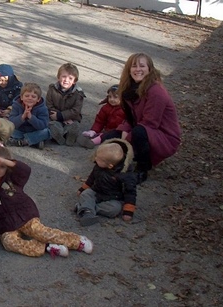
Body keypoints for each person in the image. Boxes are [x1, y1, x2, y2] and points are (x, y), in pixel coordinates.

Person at [0, 144, 93, 258]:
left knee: (41, 232)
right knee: (9, 243)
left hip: (24, 215)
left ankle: (77, 241)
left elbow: (25, 170)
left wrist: (7, 161)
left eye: (2, 166)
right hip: (5, 223)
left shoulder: (12, 177)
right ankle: (48, 247)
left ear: (7, 167)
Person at [113, 53, 181, 183]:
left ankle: (142, 169)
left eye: (142, 66)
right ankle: (119, 159)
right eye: (134, 66)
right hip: (144, 129)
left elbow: (149, 124)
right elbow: (130, 117)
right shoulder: (130, 89)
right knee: (113, 135)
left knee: (137, 133)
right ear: (129, 69)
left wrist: (126, 142)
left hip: (164, 137)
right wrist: (123, 133)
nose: (138, 69)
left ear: (149, 69)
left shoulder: (156, 91)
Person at [76, 138, 138, 226]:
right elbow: (92, 178)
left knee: (114, 209)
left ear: (110, 165)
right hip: (97, 191)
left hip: (113, 198)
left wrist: (128, 211)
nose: (96, 158)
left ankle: (85, 209)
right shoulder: (98, 166)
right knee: (86, 194)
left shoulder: (126, 175)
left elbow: (130, 192)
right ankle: (87, 211)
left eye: (99, 159)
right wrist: (83, 188)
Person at [45, 63, 85, 146]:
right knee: (52, 125)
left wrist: (62, 116)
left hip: (71, 118)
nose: (66, 80)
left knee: (74, 125)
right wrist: (57, 116)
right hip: (55, 117)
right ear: (58, 77)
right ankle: (59, 136)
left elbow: (76, 110)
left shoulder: (78, 94)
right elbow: (49, 105)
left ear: (74, 81)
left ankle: (70, 136)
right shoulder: (52, 89)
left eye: (70, 78)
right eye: (64, 76)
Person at [76, 84, 125, 149]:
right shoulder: (106, 108)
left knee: (104, 136)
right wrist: (94, 130)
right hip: (108, 130)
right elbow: (100, 121)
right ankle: (90, 135)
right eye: (110, 97)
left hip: (119, 132)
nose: (112, 99)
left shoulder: (125, 110)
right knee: (100, 134)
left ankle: (92, 142)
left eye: (115, 97)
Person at [7, 83, 51, 149]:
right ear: (21, 97)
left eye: (33, 97)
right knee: (8, 128)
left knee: (46, 132)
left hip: (34, 131)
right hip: (20, 130)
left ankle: (22, 142)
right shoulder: (16, 105)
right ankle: (34, 142)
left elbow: (43, 125)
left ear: (38, 99)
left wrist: (31, 117)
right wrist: (23, 116)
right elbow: (11, 122)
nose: (30, 98)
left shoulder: (42, 108)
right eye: (27, 96)